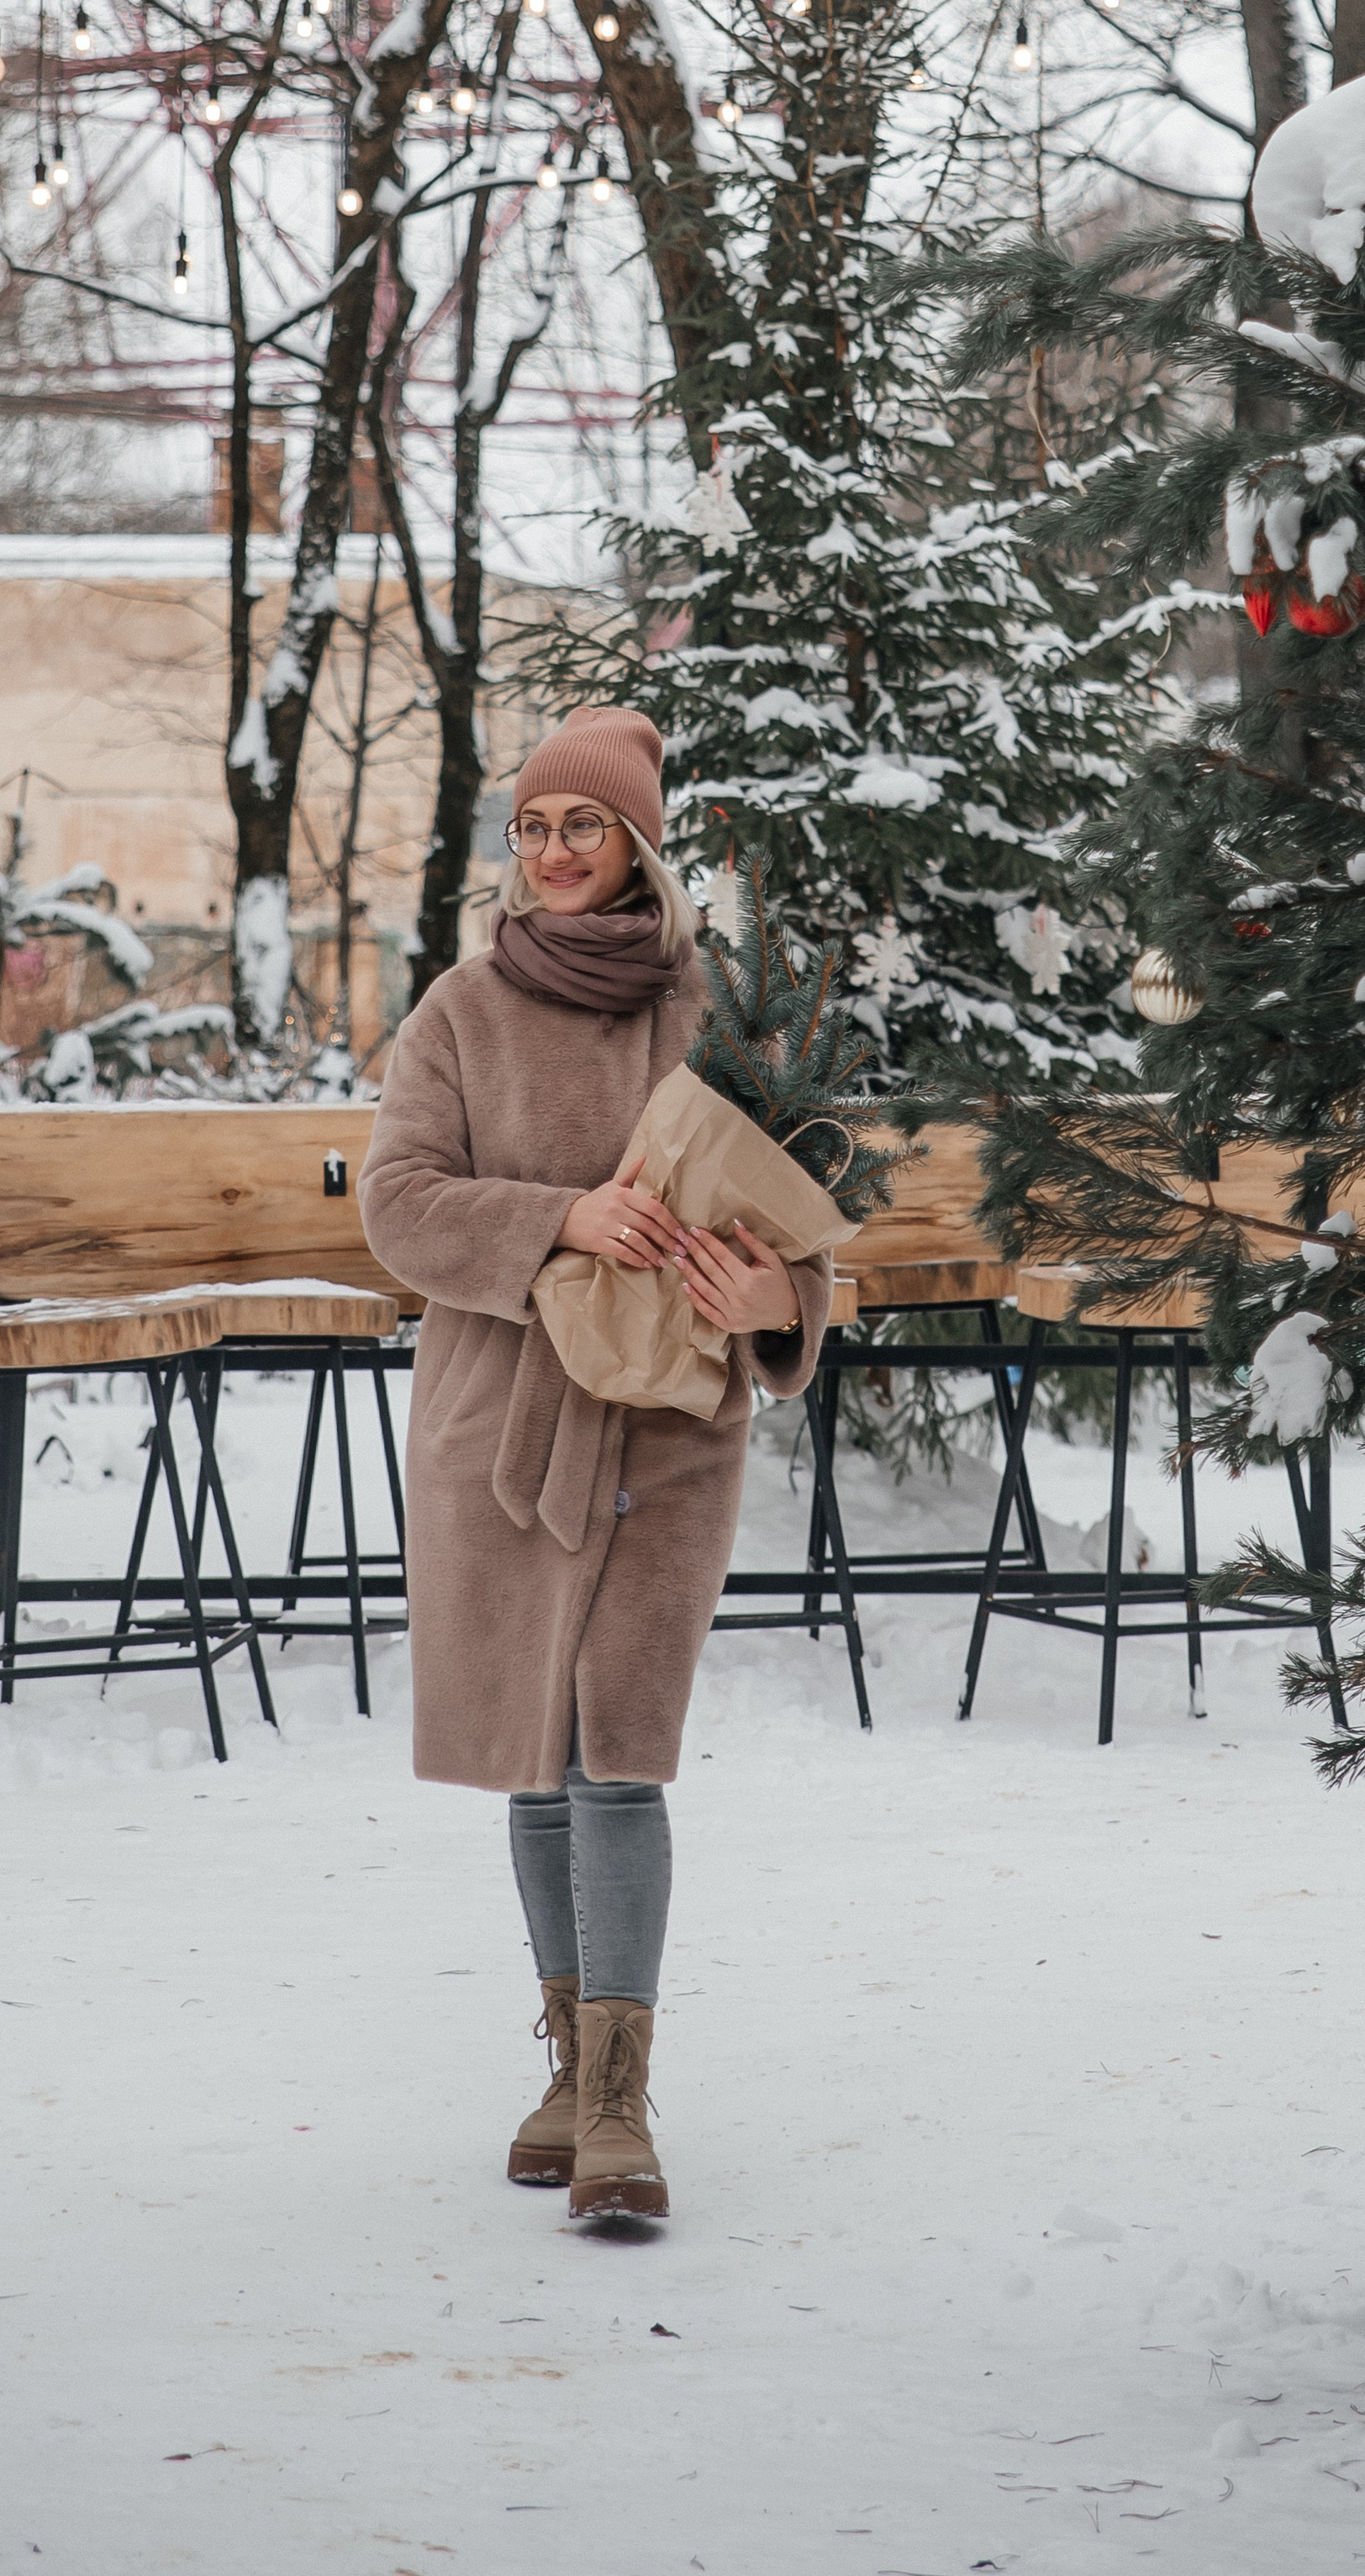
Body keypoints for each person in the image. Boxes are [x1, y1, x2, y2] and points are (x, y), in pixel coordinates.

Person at [359, 707, 833, 2220]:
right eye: (536, 828)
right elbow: (400, 1206)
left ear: (637, 845)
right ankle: (569, 2063)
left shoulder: (713, 1010)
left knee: (618, 1747)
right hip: (499, 1422)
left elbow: (811, 1219)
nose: (557, 853)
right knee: (533, 1755)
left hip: (672, 1428)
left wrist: (783, 1309)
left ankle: (622, 2109)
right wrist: (558, 1221)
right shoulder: (459, 1010)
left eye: (587, 827)